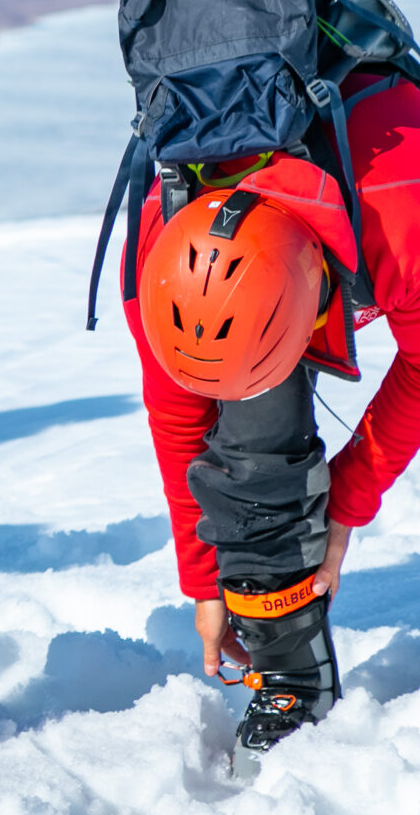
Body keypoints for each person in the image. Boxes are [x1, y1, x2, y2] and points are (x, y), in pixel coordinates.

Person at [123, 73, 420, 770]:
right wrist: (205, 583)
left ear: (317, 304)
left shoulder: (403, 222)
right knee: (254, 443)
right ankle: (294, 673)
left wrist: (345, 506)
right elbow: (179, 426)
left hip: (377, 180)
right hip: (265, 248)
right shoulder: (159, 273)